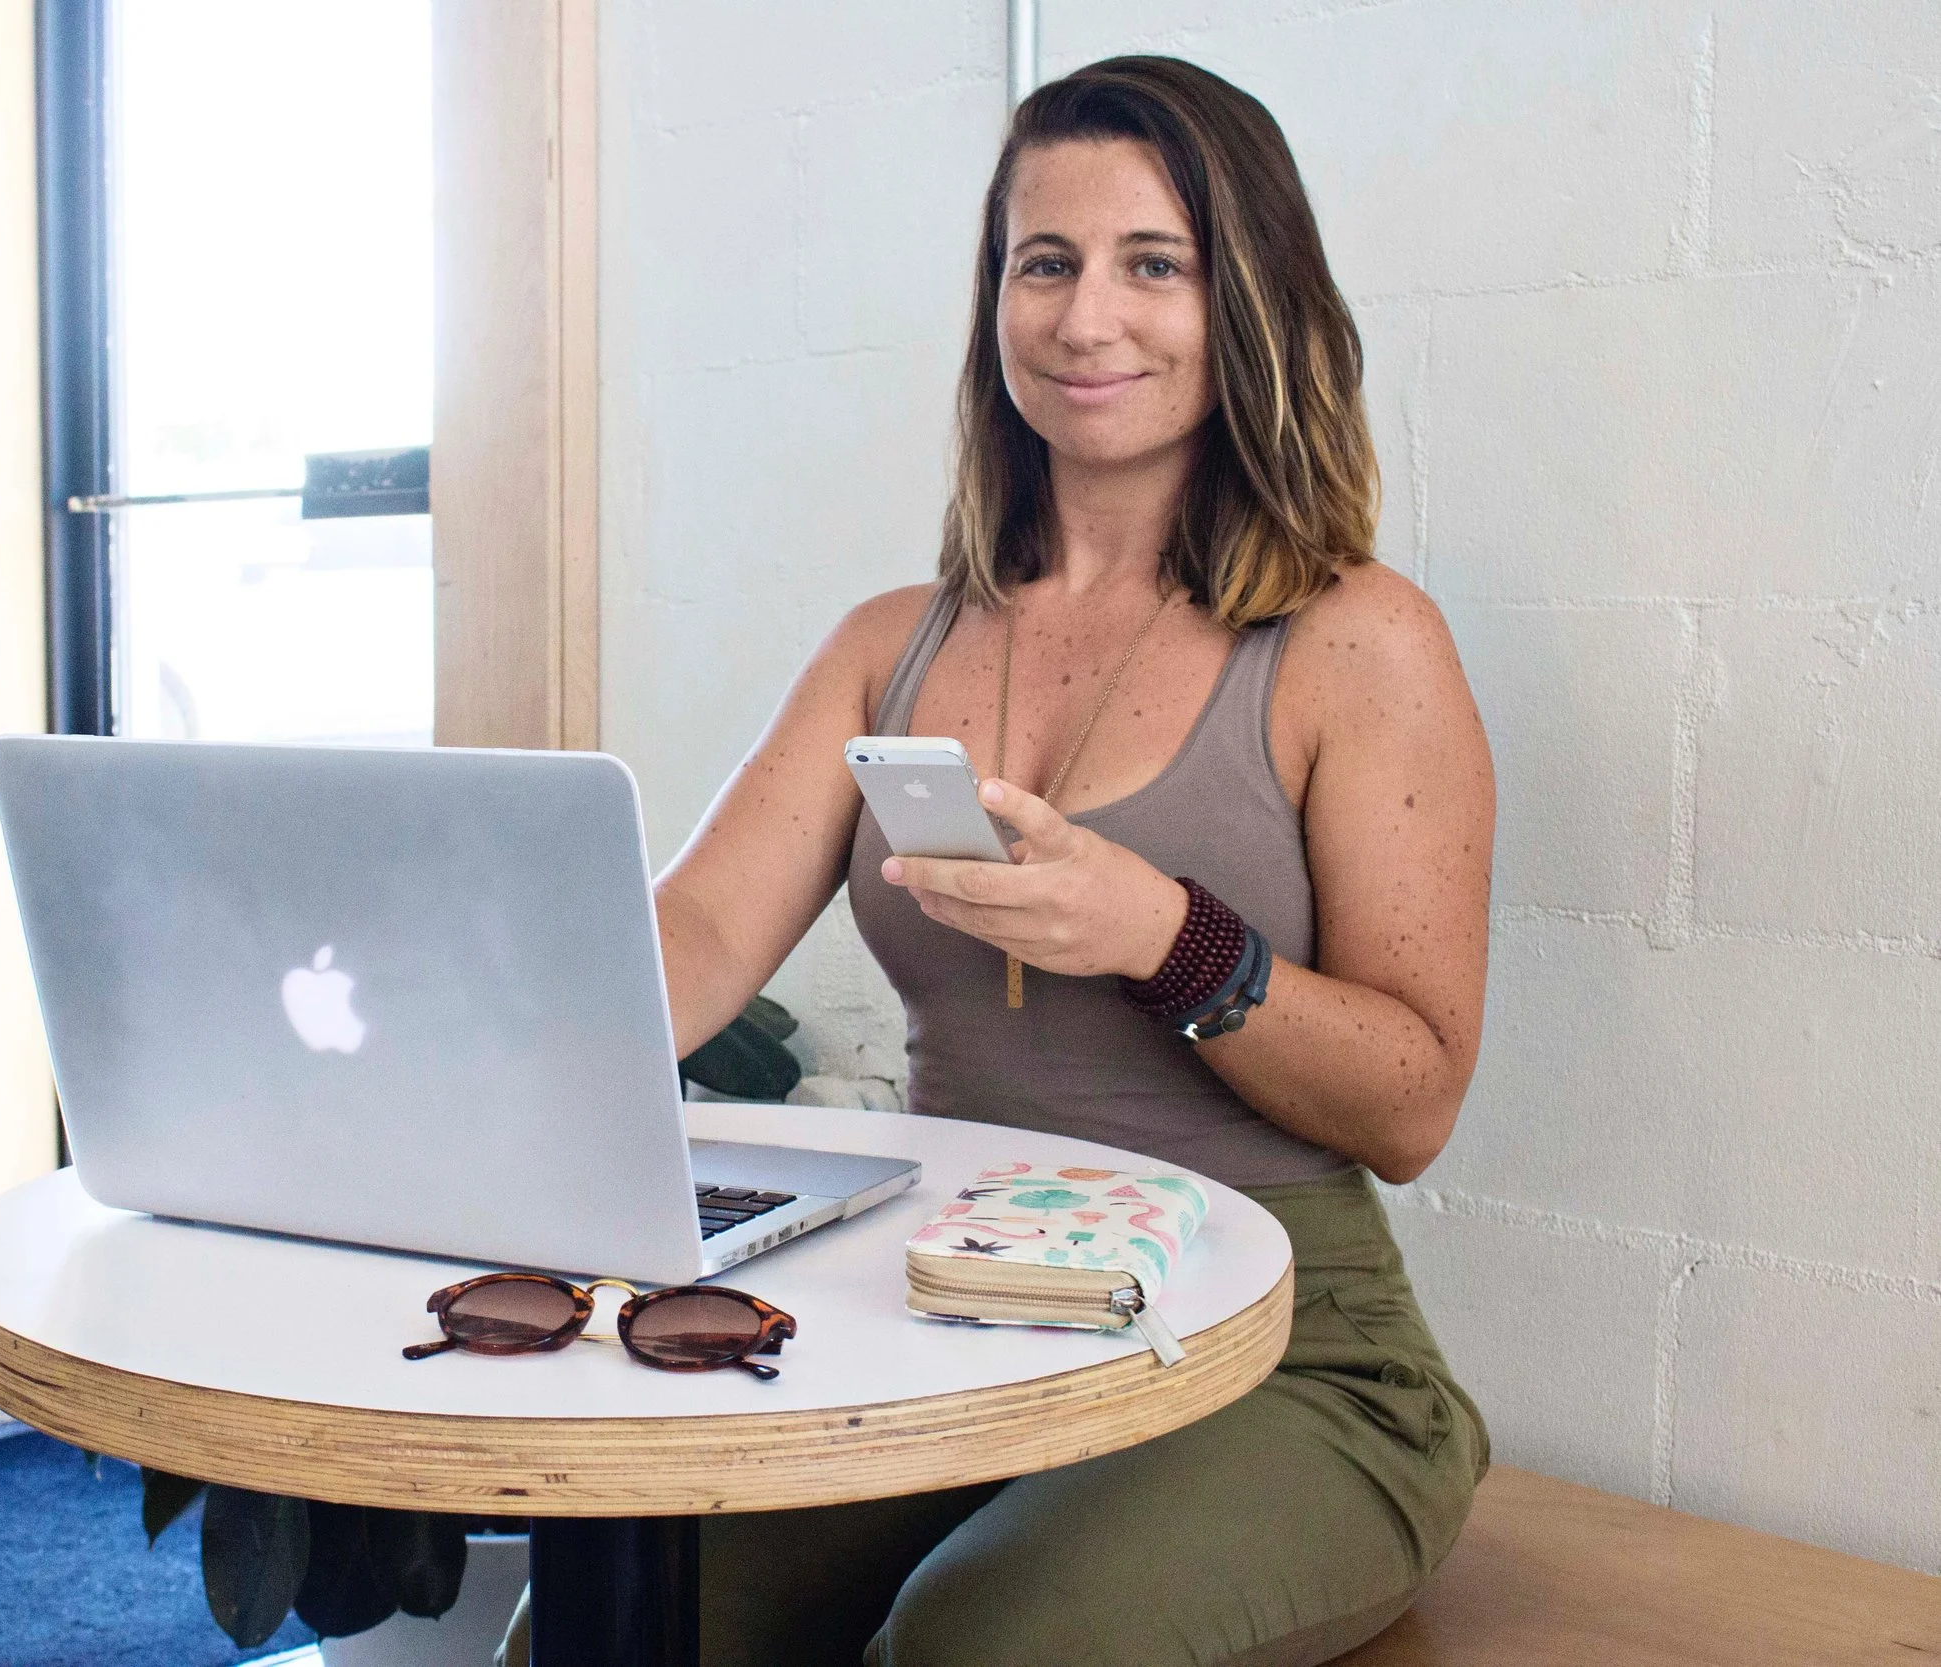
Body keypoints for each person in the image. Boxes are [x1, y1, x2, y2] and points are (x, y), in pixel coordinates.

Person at [506, 54, 1494, 1667]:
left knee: (976, 1649)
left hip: (1274, 1343)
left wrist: (1164, 933)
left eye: (1153, 264)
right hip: (948, 1314)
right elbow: (689, 940)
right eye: (1045, 262)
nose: (1087, 317)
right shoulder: (887, 644)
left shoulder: (1357, 640)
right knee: (610, 1628)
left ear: (1248, 299)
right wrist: (470, 1005)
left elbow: (1414, 1101)